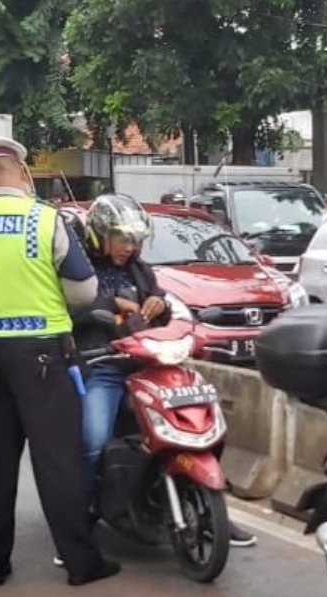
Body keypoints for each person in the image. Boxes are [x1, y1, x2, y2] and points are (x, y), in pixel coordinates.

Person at [0, 136, 122, 588]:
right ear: (21, 174)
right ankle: (82, 563)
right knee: (56, 459)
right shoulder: (45, 220)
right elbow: (83, 291)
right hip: (42, 351)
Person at [69, 195, 260, 549]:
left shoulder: (140, 270)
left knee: (201, 425)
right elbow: (75, 310)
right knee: (93, 440)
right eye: (123, 238)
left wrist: (160, 306)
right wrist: (111, 306)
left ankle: (209, 506)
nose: (130, 247)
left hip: (150, 363)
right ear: (99, 235)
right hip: (105, 367)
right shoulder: (83, 272)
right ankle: (77, 525)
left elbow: (158, 305)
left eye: (136, 239)